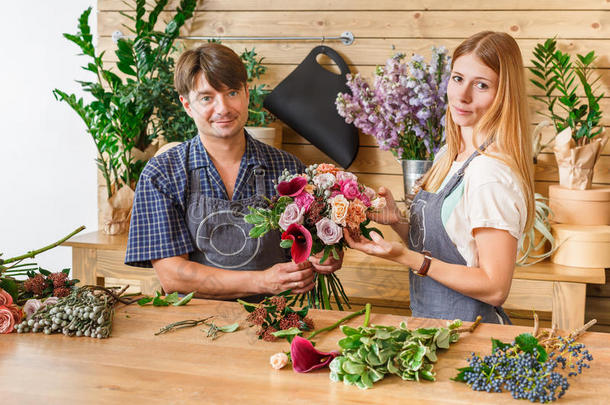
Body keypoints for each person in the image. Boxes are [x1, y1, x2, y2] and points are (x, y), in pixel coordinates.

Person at [125, 43, 342, 300]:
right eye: (207, 98)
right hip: (195, 322)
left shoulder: (288, 168)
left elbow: (313, 250)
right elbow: (173, 276)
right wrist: (262, 281)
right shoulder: (162, 173)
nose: (223, 108)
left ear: (246, 94)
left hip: (277, 317)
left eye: (231, 93)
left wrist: (326, 257)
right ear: (187, 105)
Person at [344, 31, 535, 324]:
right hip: (432, 329)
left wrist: (406, 258)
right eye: (458, 78)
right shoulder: (449, 154)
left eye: (481, 85)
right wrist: (397, 223)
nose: (462, 95)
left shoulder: (489, 174)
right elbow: (450, 249)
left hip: (472, 336)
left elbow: (496, 287)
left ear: (503, 95)